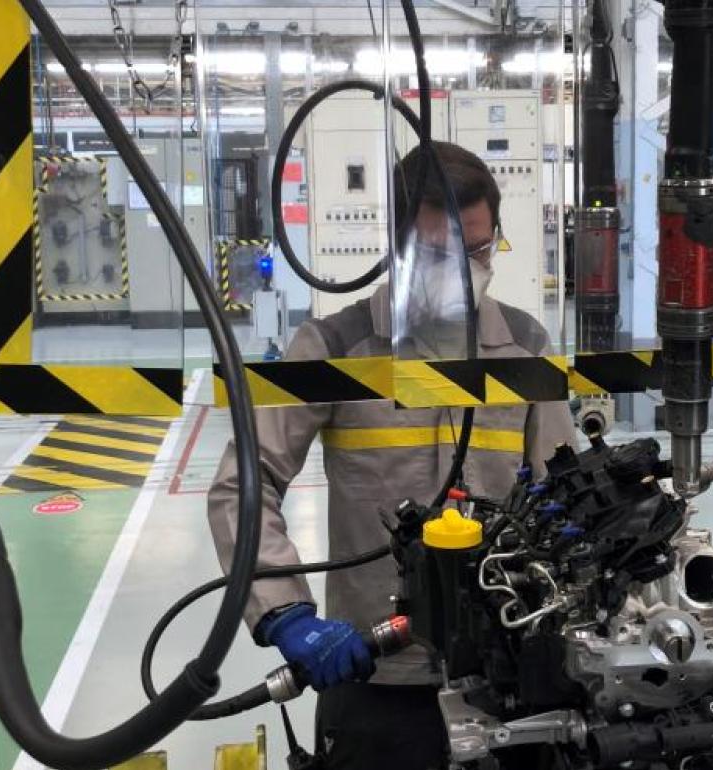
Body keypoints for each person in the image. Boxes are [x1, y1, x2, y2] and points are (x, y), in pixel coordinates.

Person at [208, 141, 576, 770]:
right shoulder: (333, 346)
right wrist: (288, 614)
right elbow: (244, 484)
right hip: (372, 677)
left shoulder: (525, 348)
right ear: (397, 244)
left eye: (479, 251)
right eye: (436, 256)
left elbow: (566, 496)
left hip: (509, 678)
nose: (462, 271)